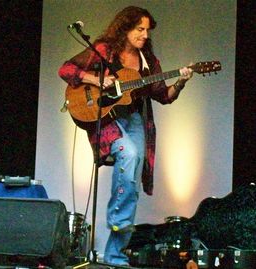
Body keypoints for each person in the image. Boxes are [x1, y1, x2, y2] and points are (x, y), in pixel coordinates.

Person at [58, 6, 193, 266]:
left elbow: (164, 96)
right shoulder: (105, 49)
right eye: (139, 29)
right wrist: (95, 80)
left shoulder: (148, 62)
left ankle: (115, 253)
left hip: (132, 118)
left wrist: (181, 81)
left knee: (132, 177)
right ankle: (118, 225)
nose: (144, 34)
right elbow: (66, 70)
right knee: (129, 154)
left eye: (147, 30)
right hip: (106, 118)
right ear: (125, 28)